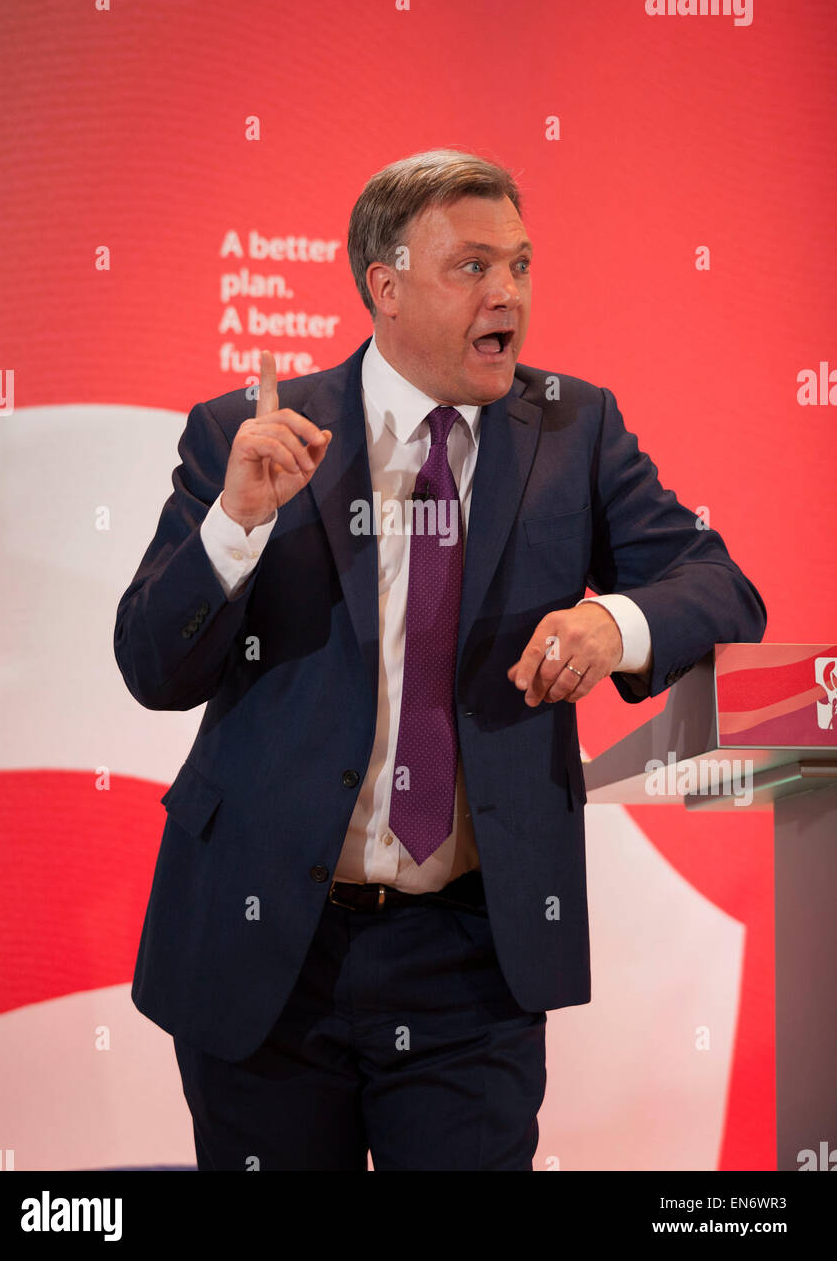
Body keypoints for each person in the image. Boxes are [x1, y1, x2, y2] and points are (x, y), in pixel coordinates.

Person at [114, 149, 767, 1171]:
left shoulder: (572, 429)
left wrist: (615, 625)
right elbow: (152, 667)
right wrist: (234, 524)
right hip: (267, 946)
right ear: (383, 283)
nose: (506, 292)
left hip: (468, 958)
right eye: (471, 267)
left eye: (519, 264)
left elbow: (715, 581)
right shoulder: (249, 434)